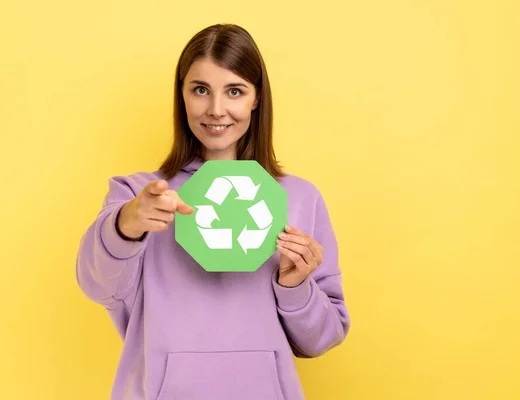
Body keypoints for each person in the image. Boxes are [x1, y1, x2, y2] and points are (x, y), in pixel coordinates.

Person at [76, 23, 351, 400]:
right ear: (182, 95)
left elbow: (323, 338)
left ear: (256, 98)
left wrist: (295, 286)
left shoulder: (299, 198)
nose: (216, 109)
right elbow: (97, 285)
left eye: (234, 91)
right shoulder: (140, 196)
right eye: (200, 90)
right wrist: (126, 225)